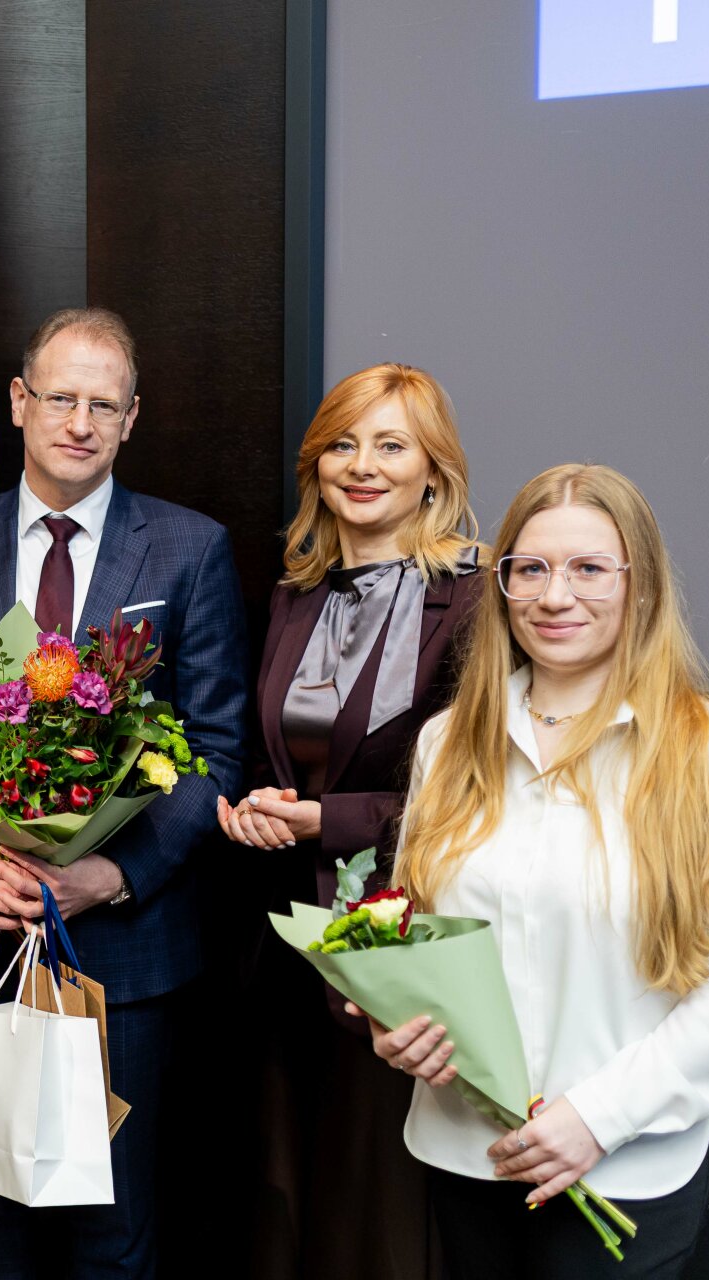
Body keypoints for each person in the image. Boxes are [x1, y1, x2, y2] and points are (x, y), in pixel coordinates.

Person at [365, 463, 709, 1278]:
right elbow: (417, 929)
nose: (554, 595)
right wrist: (397, 1024)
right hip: (465, 1151)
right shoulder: (447, 743)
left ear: (643, 585)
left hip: (627, 1167)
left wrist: (598, 1117)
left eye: (589, 568)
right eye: (529, 569)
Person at [0, 307, 247, 1278]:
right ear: (19, 401)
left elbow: (216, 750)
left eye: (104, 404)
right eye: (60, 398)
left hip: (123, 955)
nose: (80, 422)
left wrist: (111, 875)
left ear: (132, 418)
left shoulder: (189, 548)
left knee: (112, 1241)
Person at [214, 363, 483, 1278]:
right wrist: (257, 807)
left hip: (395, 948)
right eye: (342, 444)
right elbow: (281, 757)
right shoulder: (297, 593)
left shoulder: (477, 601)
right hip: (279, 946)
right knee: (284, 1197)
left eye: (391, 445)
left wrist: (321, 822)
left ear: (434, 470)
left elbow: (475, 799)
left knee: (375, 1214)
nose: (362, 465)